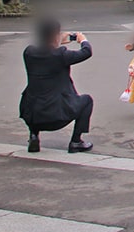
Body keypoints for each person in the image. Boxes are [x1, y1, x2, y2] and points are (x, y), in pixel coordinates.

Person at [19, 20, 94, 153]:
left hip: (33, 115)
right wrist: (83, 40)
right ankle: (76, 141)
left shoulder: (29, 53)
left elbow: (47, 52)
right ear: (55, 36)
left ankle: (34, 135)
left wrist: (57, 42)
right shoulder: (60, 55)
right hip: (58, 115)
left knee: (34, 97)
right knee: (87, 100)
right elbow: (86, 52)